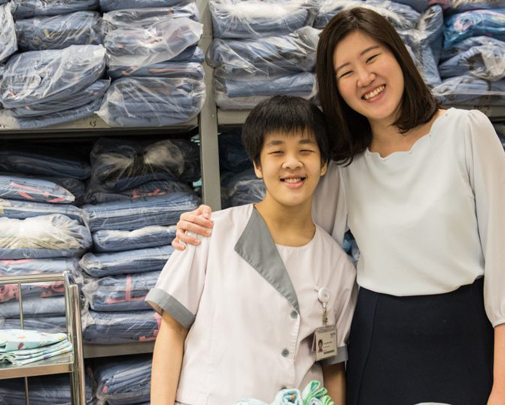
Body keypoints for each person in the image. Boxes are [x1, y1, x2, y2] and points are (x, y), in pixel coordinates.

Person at [173, 7, 505, 405]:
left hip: (463, 336)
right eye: (345, 72)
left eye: (372, 57)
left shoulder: (467, 131)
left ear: (399, 55)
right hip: (378, 343)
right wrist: (209, 229)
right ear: (335, 88)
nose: (364, 78)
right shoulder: (346, 164)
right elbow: (298, 241)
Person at [147, 96, 356, 405]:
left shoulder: (338, 266)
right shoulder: (209, 233)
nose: (292, 162)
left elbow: (333, 367)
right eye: (277, 151)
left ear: (323, 164)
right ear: (258, 165)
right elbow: (171, 332)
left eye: (305, 150)